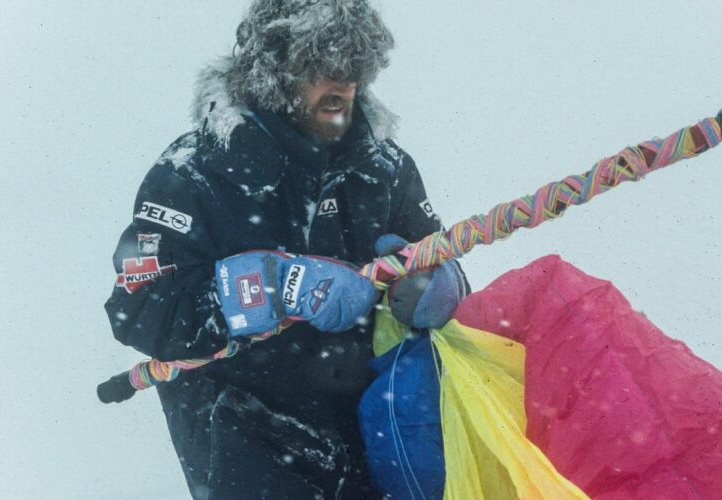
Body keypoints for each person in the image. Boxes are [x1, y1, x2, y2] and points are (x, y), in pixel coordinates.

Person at [104, 1, 467, 498]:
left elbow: (442, 261)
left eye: (353, 63)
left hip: (379, 437)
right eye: (319, 62)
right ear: (271, 69)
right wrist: (272, 287)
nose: (341, 81)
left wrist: (441, 286)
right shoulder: (189, 174)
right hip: (243, 442)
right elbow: (138, 308)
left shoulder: (386, 168)